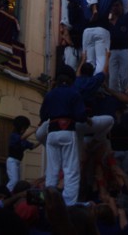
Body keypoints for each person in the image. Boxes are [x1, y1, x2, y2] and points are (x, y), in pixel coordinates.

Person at [40, 69, 88, 206]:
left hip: (52, 133)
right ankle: (69, 205)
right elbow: (81, 116)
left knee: (52, 169)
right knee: (71, 170)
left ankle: (49, 203)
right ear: (71, 81)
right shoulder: (74, 93)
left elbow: (43, 115)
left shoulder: (49, 95)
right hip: (67, 131)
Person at [6, 116, 37, 192]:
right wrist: (34, 130)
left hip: (18, 162)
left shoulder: (23, 140)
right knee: (14, 180)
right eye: (25, 128)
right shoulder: (14, 136)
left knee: (17, 183)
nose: (25, 130)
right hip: (12, 160)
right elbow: (21, 138)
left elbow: (32, 146)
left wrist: (42, 141)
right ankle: (5, 193)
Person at [108, 0, 128, 92]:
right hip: (112, 51)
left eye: (117, 5)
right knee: (112, 77)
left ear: (122, 7)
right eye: (113, 6)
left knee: (125, 77)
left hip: (124, 50)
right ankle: (113, 98)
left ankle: (126, 97)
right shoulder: (108, 20)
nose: (115, 8)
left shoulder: (125, 18)